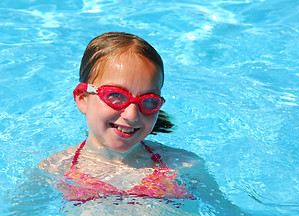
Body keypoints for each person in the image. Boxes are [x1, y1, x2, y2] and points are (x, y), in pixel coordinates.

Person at [39, 32, 198, 202]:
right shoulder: (56, 168)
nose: (132, 115)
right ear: (83, 98)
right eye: (115, 95)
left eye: (149, 101)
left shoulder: (182, 166)